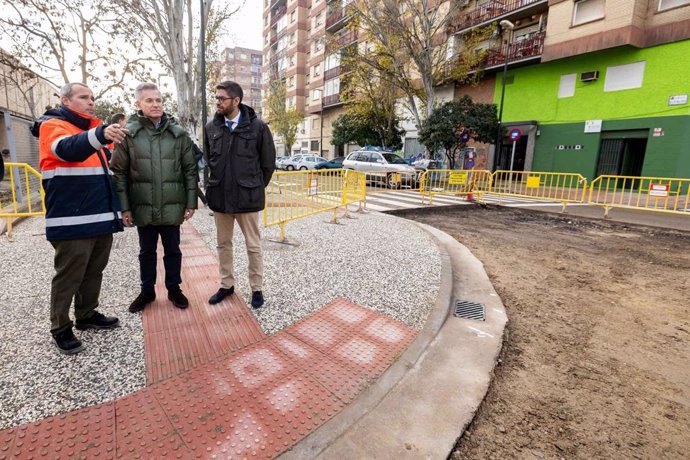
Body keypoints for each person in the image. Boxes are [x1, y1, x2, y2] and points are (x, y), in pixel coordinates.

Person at [31, 82, 126, 355]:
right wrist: (99, 134)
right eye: (84, 97)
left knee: (94, 270)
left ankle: (86, 314)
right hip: (71, 220)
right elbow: (66, 150)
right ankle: (60, 327)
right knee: (69, 275)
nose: (91, 102)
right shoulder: (53, 126)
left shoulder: (89, 134)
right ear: (65, 100)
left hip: (99, 217)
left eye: (93, 97)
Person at [110, 83, 198, 313]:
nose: (156, 104)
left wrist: (191, 202)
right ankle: (147, 291)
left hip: (172, 205)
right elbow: (119, 171)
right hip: (143, 206)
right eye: (149, 100)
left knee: (173, 251)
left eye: (158, 100)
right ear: (138, 104)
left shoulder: (178, 134)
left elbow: (190, 170)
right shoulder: (128, 134)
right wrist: (125, 207)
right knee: (146, 251)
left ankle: (174, 289)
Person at [204, 80, 276, 308]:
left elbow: (268, 164)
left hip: (248, 198)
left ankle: (257, 289)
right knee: (223, 245)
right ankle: (227, 285)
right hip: (221, 199)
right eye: (215, 98)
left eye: (221, 98)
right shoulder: (210, 128)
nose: (217, 102)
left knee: (253, 246)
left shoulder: (258, 127)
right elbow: (209, 161)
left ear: (236, 101)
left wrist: (253, 187)